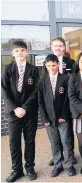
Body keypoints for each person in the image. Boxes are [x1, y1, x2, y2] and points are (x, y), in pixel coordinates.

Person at [1, 40, 39, 182]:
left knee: (30, 141)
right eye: (17, 50)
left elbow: (36, 91)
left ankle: (30, 167)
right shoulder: (7, 69)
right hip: (13, 113)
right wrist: (15, 108)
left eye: (22, 50)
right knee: (14, 142)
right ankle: (17, 170)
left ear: (26, 52)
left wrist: (24, 107)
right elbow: (4, 91)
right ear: (13, 53)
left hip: (30, 112)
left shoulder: (33, 70)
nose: (20, 53)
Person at [38, 54, 76, 177]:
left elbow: (68, 99)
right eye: (49, 65)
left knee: (66, 141)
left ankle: (69, 165)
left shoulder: (65, 79)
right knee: (54, 142)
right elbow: (40, 101)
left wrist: (64, 115)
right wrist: (44, 118)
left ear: (58, 65)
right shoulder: (42, 80)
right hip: (49, 118)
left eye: (54, 65)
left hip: (63, 117)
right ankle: (58, 165)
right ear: (45, 65)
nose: (52, 68)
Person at [48, 36, 77, 166]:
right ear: (51, 47)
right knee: (55, 131)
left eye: (60, 45)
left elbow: (75, 81)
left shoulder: (70, 63)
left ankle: (70, 154)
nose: (58, 48)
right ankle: (58, 155)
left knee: (67, 131)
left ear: (64, 48)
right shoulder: (48, 62)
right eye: (55, 45)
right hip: (53, 103)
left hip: (67, 102)